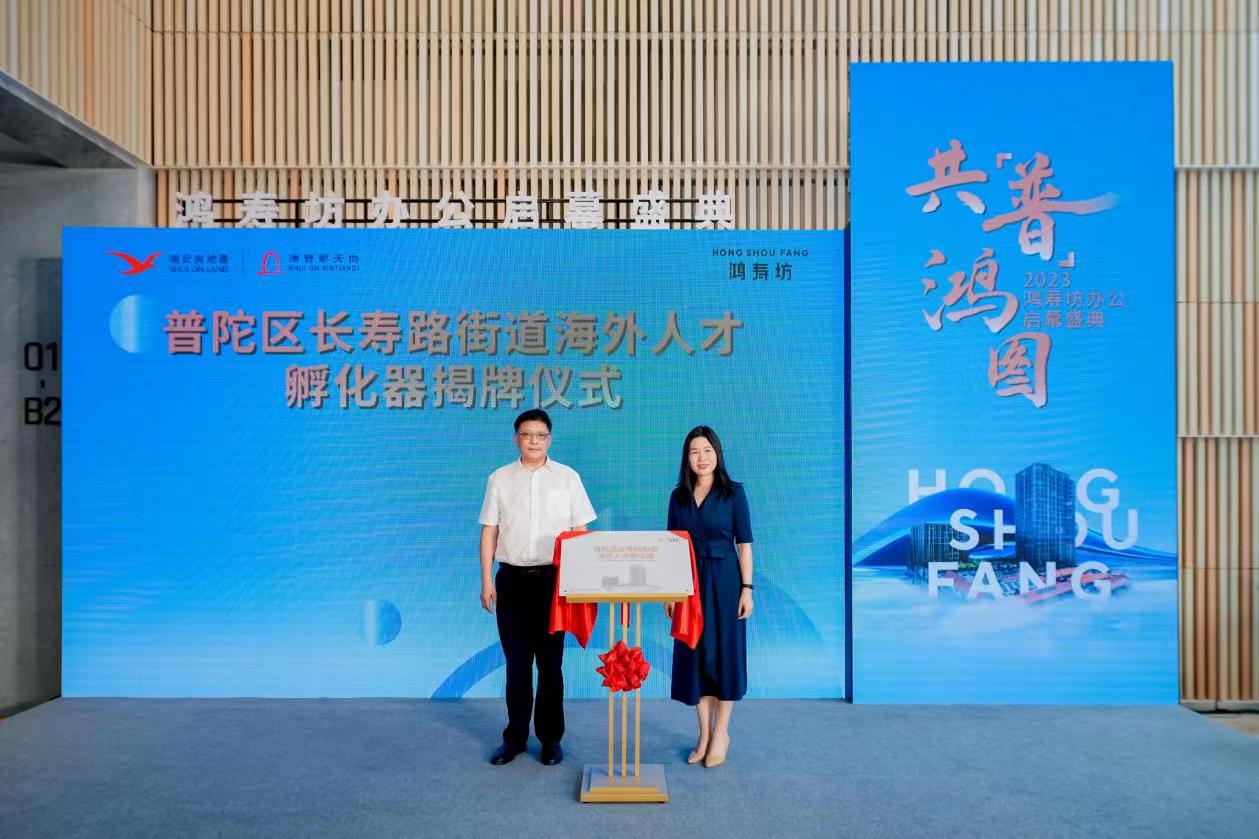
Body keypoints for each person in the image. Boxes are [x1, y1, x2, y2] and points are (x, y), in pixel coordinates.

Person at [478, 408, 596, 766]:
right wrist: (486, 580)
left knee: (550, 664)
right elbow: (490, 531)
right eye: (527, 435)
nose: (534, 441)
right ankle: (514, 739)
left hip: (552, 583)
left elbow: (580, 532)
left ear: (549, 439)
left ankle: (550, 739)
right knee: (516, 665)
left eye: (540, 435)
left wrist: (580, 581)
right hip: (511, 581)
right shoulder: (500, 478)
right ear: (516, 438)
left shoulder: (568, 478)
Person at [665, 425, 754, 768]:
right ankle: (703, 734)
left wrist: (747, 589)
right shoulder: (678, 497)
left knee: (724, 656)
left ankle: (721, 733)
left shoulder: (733, 493)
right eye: (694, 452)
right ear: (686, 458)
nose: (701, 458)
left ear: (717, 453)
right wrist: (670, 593)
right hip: (688, 584)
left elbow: (744, 545)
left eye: (707, 450)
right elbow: (672, 546)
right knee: (696, 657)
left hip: (726, 580)